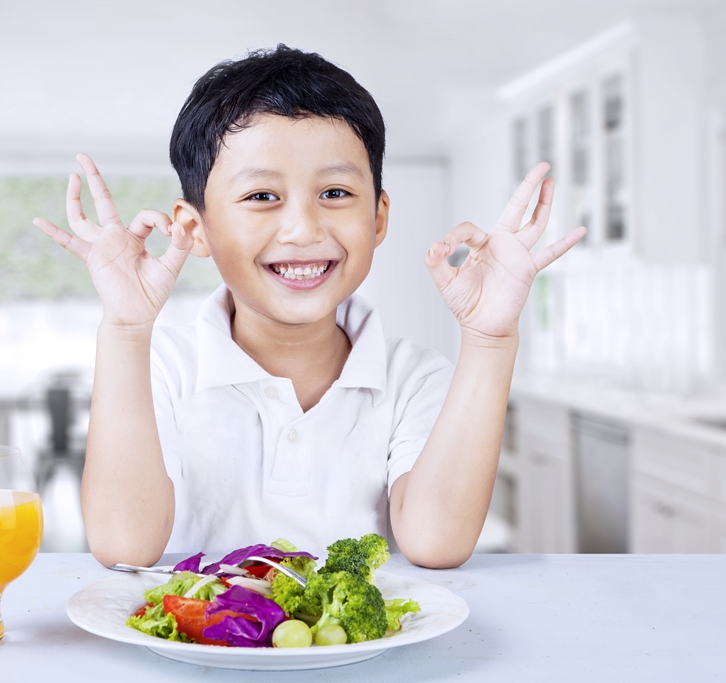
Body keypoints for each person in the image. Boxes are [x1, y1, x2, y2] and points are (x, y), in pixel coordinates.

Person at [33, 45, 584, 569]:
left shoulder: (416, 378)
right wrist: (127, 329)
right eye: (262, 197)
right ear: (192, 228)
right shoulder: (163, 368)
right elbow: (124, 546)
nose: (303, 229)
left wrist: (490, 340)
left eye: (336, 193)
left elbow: (437, 543)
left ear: (378, 218)